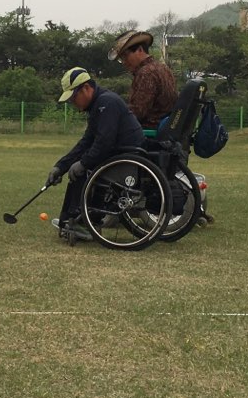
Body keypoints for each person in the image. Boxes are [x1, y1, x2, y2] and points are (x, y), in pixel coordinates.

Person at [44, 67, 144, 240]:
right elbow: (86, 142)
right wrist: (61, 167)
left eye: (74, 98)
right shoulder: (97, 105)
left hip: (127, 157)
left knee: (81, 171)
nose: (74, 104)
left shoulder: (107, 103)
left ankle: (83, 223)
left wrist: (83, 163)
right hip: (117, 154)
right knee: (78, 168)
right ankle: (71, 219)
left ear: (85, 88)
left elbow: (104, 142)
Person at [107, 30, 177, 131]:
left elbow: (138, 112)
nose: (124, 62)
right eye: (121, 59)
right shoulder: (163, 68)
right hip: (165, 130)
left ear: (140, 50)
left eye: (125, 56)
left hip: (149, 133)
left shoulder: (146, 73)